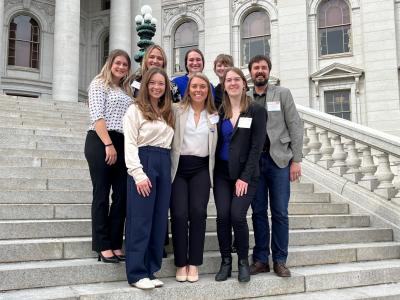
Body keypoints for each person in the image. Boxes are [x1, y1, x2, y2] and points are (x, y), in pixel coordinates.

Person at [247, 55, 303, 278]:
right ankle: (261, 259)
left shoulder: (282, 94)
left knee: (280, 212)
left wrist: (296, 160)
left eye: (263, 68)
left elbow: (295, 126)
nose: (259, 71)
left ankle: (280, 260)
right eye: (256, 68)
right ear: (250, 72)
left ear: (269, 71)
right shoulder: (245, 98)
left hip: (279, 161)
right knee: (258, 212)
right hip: (254, 163)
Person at [123, 67, 175, 290]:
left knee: (158, 219)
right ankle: (136, 272)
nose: (156, 87)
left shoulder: (168, 112)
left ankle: (151, 269)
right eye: (152, 83)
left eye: (161, 84)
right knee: (140, 219)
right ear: (145, 85)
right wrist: (138, 174)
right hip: (144, 162)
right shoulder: (135, 110)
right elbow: (130, 144)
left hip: (164, 163)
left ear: (166, 88)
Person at [213, 67, 266, 283]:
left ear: (244, 84)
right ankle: (226, 262)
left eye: (237, 79)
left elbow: (257, 147)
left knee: (237, 216)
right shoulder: (219, 111)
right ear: (224, 85)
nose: (233, 83)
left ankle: (243, 261)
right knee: (222, 217)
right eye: (228, 80)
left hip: (246, 174)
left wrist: (244, 177)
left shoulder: (255, 110)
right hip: (222, 174)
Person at [84, 49, 133, 263]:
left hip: (122, 142)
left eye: (125, 64)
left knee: (122, 195)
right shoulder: (98, 84)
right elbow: (98, 116)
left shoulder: (125, 90)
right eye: (118, 63)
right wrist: (108, 144)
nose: (121, 67)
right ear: (110, 63)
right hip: (100, 139)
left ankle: (115, 242)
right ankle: (102, 245)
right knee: (101, 193)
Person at [170, 73, 218, 283]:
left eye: (203, 87)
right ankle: (181, 263)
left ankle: (194, 263)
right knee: (179, 214)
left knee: (198, 213)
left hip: (201, 168)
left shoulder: (215, 114)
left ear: (208, 90)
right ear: (188, 89)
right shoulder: (176, 110)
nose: (198, 90)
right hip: (179, 167)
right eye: (194, 86)